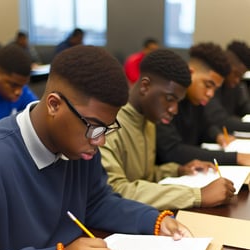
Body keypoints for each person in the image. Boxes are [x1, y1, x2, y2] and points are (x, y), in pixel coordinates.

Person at [0, 45, 192, 250]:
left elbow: (96, 202)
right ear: (54, 105)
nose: (100, 141)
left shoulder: (80, 147)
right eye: (94, 127)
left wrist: (153, 221)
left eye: (107, 129)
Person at [100, 49, 235, 210]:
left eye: (178, 101)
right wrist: (197, 195)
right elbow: (115, 190)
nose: (174, 110)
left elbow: (145, 176)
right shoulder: (108, 125)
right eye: (170, 99)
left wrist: (178, 170)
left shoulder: (148, 120)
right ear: (145, 86)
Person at [155, 42, 250, 166]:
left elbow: (205, 127)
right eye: (208, 85)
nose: (210, 94)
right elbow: (173, 151)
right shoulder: (166, 100)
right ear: (191, 72)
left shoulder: (196, 100)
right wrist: (234, 158)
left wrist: (217, 136)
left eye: (214, 89)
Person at [203, 40, 250, 143]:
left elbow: (245, 108)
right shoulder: (213, 85)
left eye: (241, 76)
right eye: (236, 74)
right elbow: (220, 121)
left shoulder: (235, 86)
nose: (237, 80)